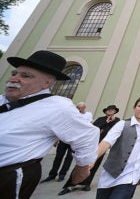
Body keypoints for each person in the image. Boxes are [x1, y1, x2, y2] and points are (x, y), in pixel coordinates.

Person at [0, 50, 99, 199]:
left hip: (8, 178)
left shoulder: (57, 106)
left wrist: (82, 168)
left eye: (25, 75)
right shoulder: (3, 100)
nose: (14, 78)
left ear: (47, 82)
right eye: (14, 73)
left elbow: (87, 134)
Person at [94, 94, 140, 199]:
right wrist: (91, 160)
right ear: (134, 108)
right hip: (110, 175)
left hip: (130, 177)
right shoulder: (122, 124)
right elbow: (106, 142)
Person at [58, 104, 121, 195]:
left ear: (115, 111)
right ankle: (70, 185)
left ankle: (86, 183)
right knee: (82, 164)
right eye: (108, 110)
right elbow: (93, 129)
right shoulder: (100, 119)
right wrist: (105, 123)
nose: (110, 111)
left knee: (95, 165)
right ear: (106, 111)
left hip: (102, 145)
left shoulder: (117, 121)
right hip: (91, 144)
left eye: (112, 110)